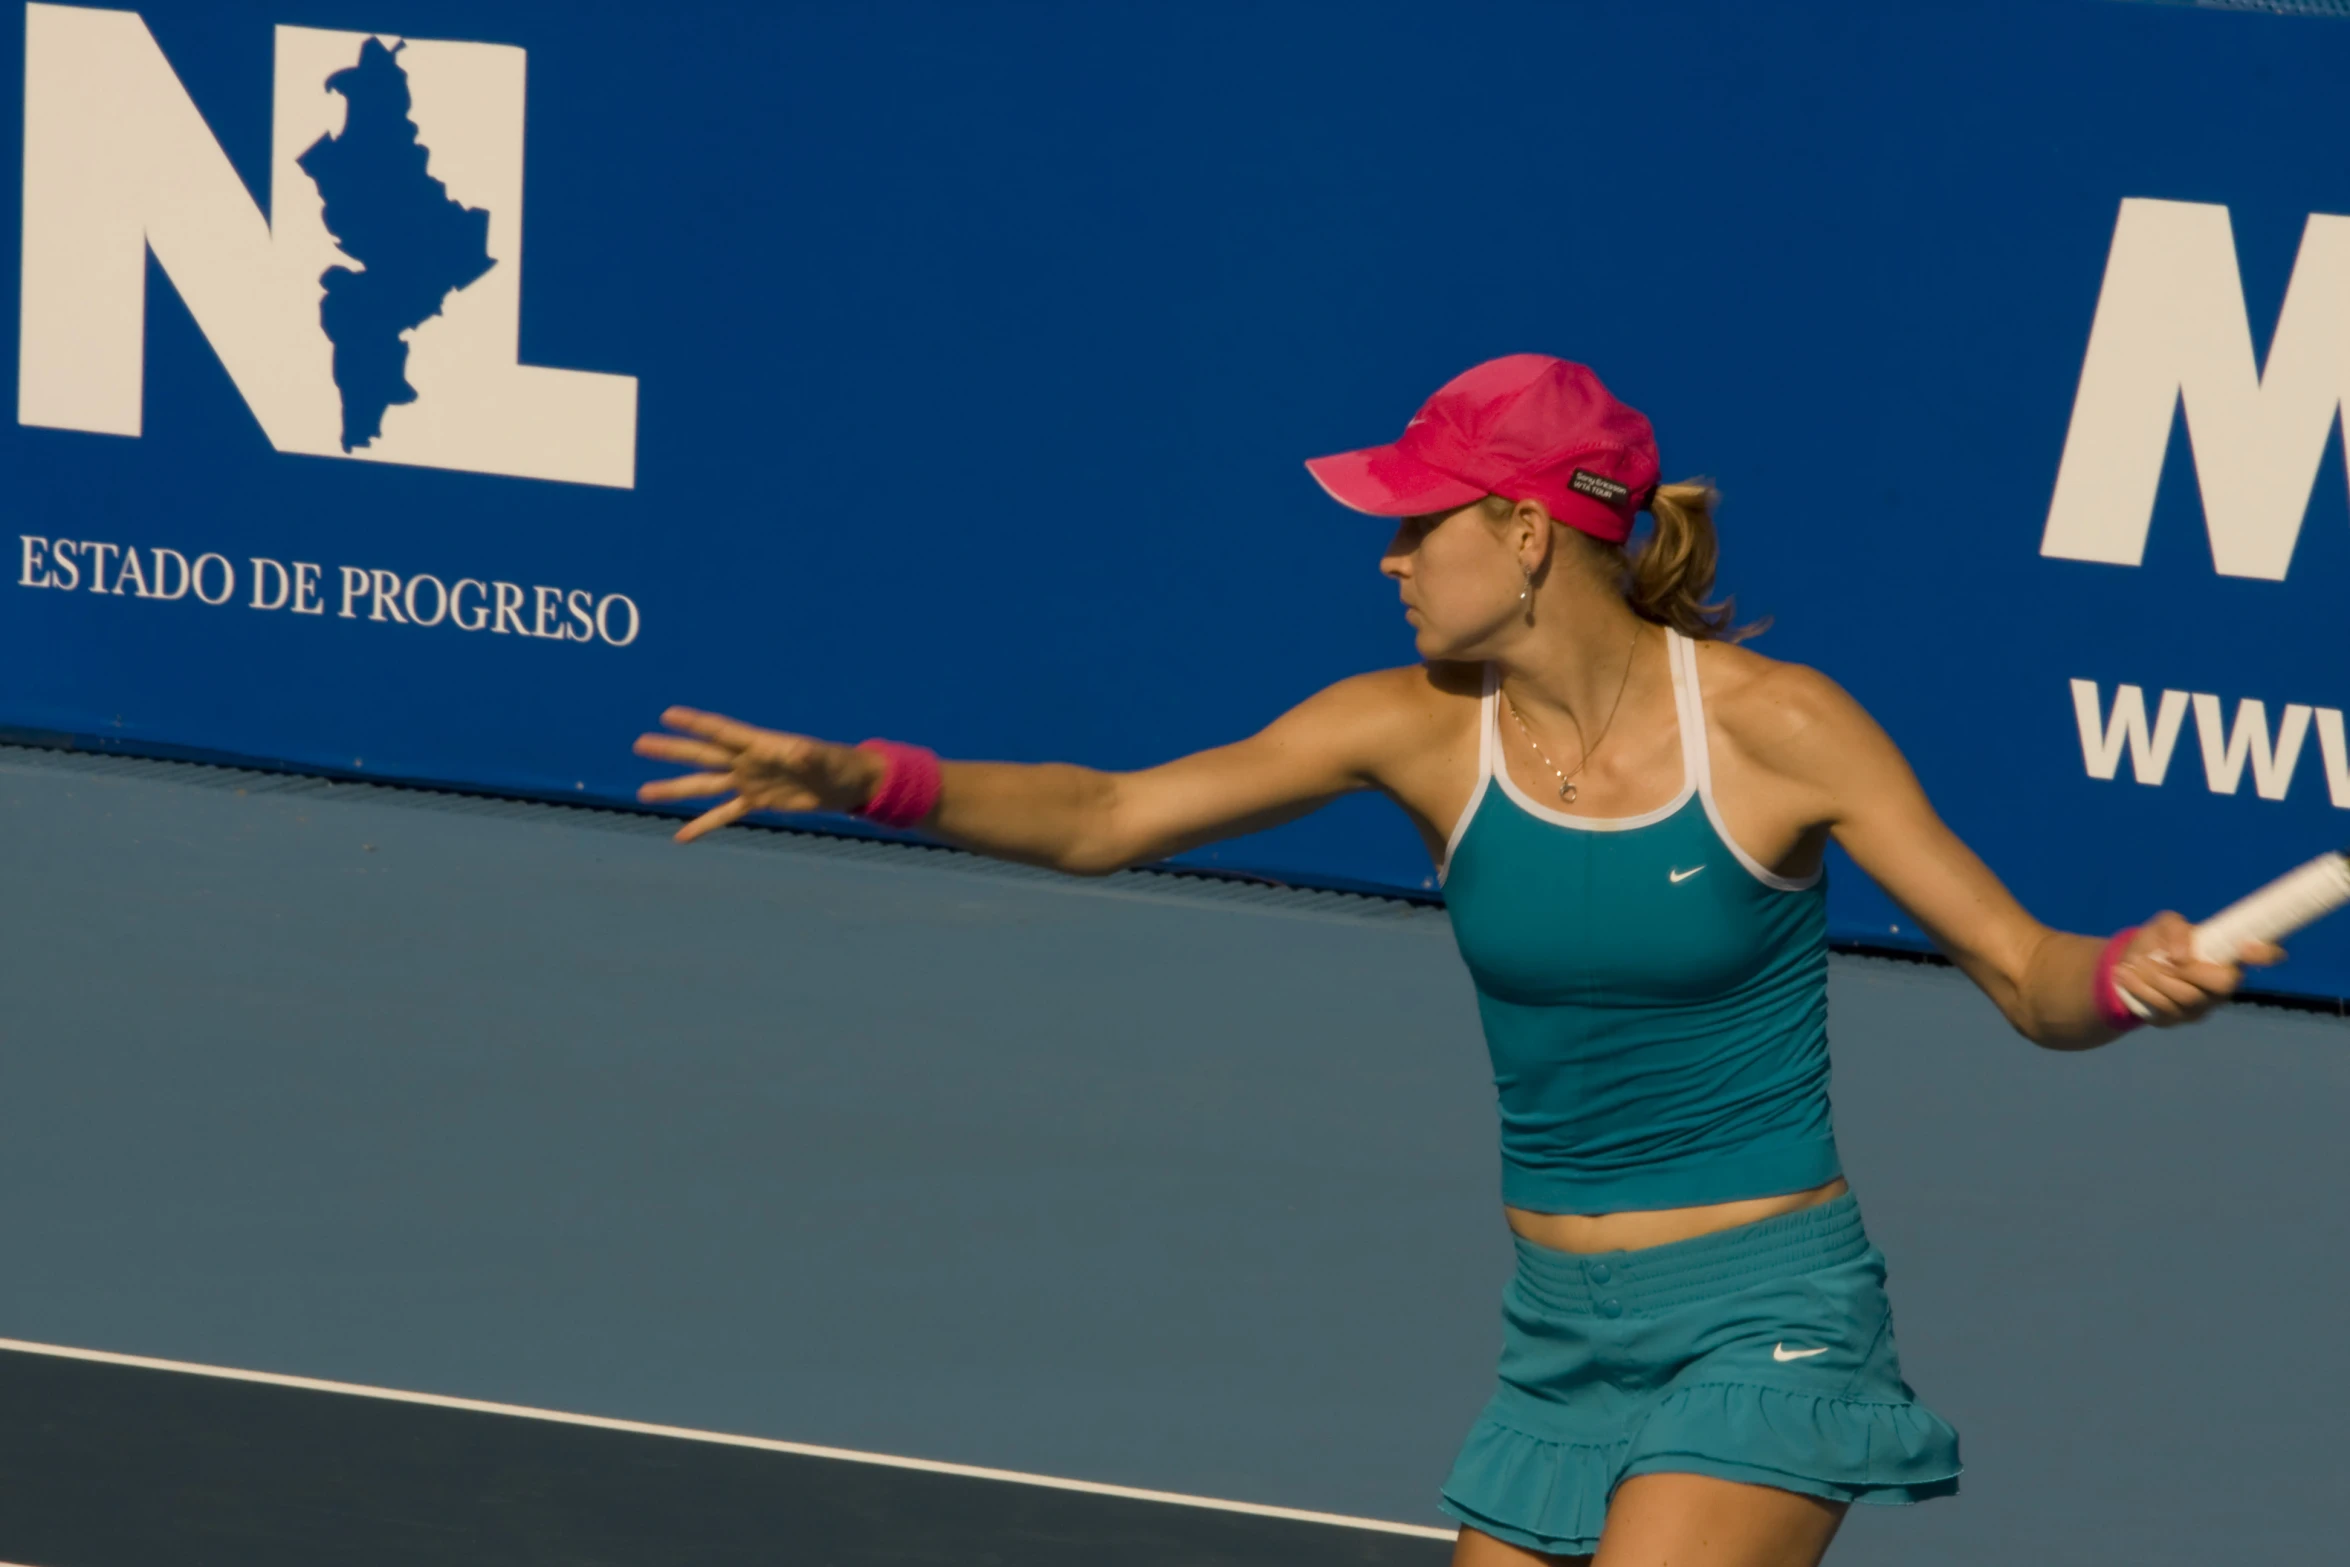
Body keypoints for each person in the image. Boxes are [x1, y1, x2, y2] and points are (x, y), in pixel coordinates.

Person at [631, 354, 2272, 1567]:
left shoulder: (1779, 731)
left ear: (1526, 529)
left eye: (1417, 525)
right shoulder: (1406, 730)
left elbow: (2024, 974)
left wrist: (2126, 974)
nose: (1388, 557)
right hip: (1558, 1334)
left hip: (1763, 1315)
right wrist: (867, 777)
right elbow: (1104, 812)